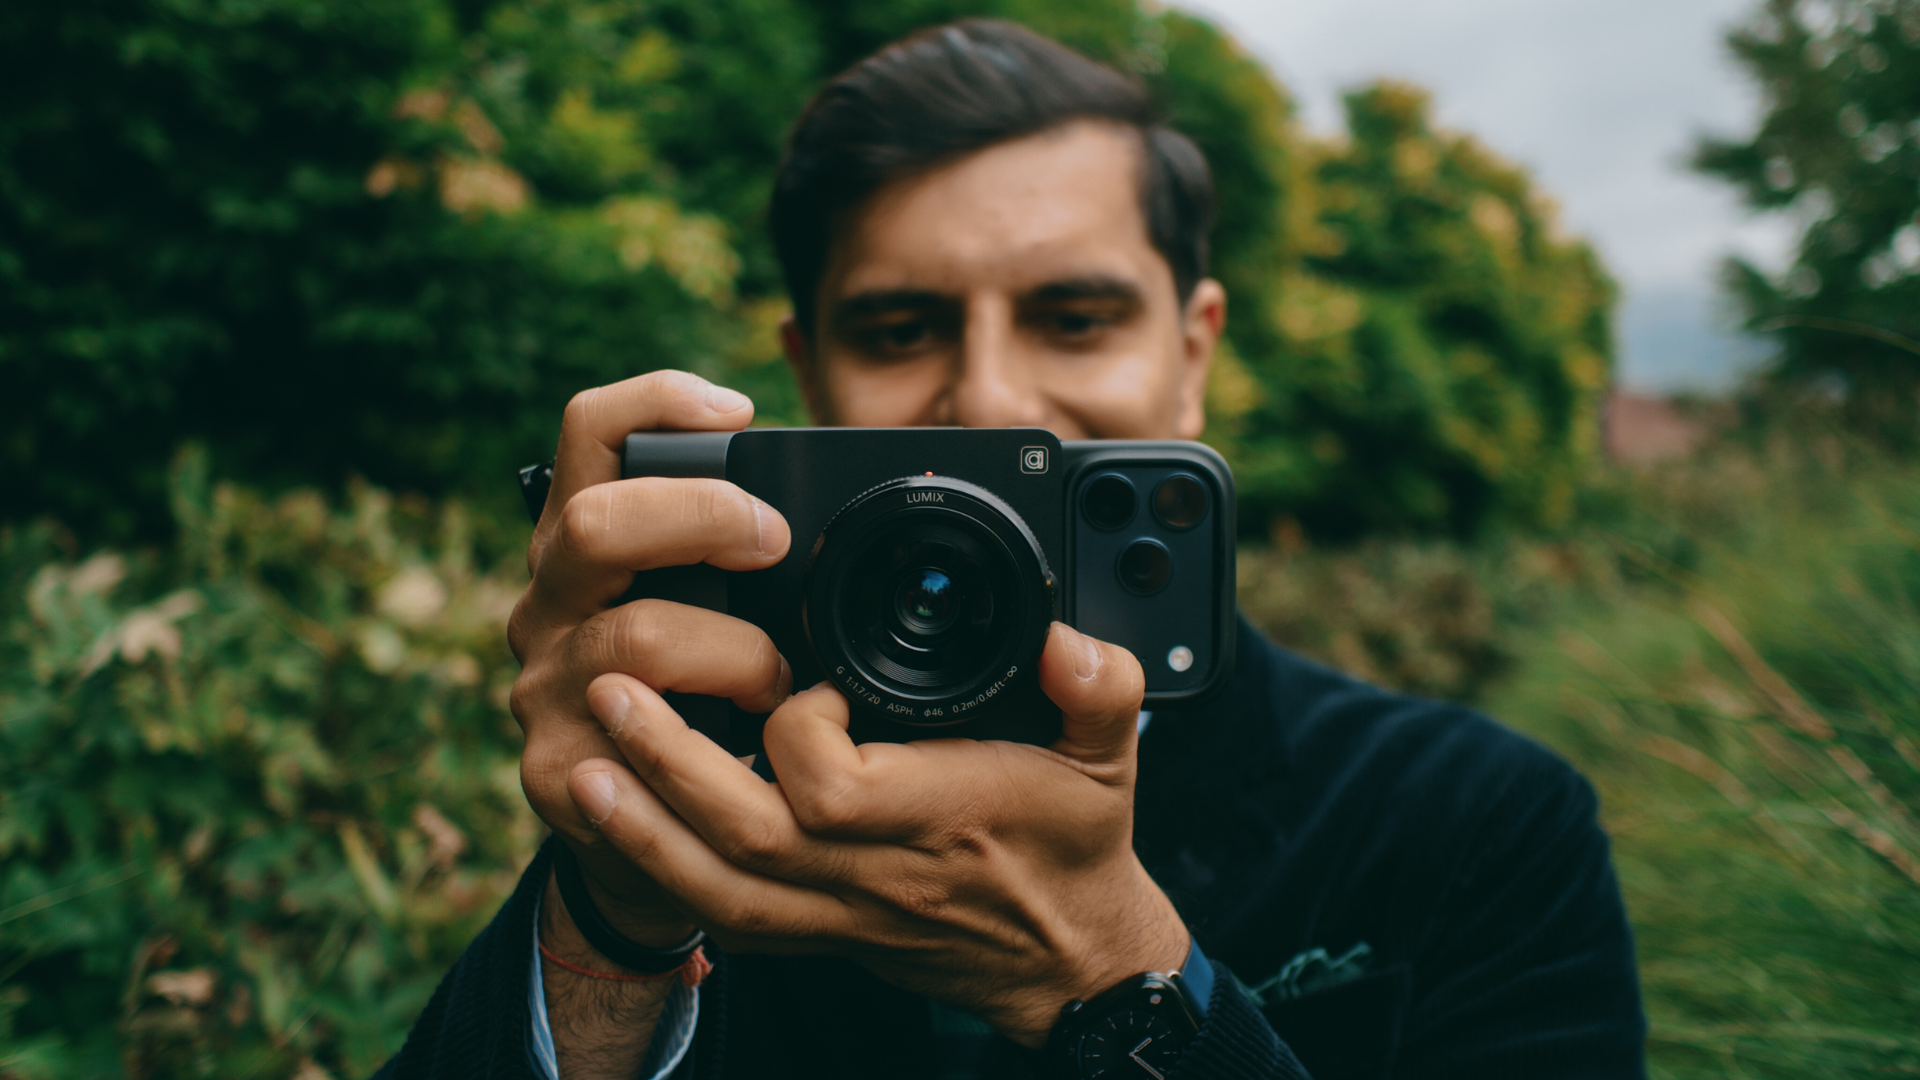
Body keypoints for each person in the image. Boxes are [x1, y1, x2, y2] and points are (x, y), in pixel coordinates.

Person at [376, 19, 1644, 1080]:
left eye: (1075, 317)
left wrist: (1119, 975)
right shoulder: (702, 782)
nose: (988, 396)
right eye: (900, 328)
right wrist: (613, 906)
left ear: (1191, 354)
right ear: (807, 368)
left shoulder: (1479, 820)